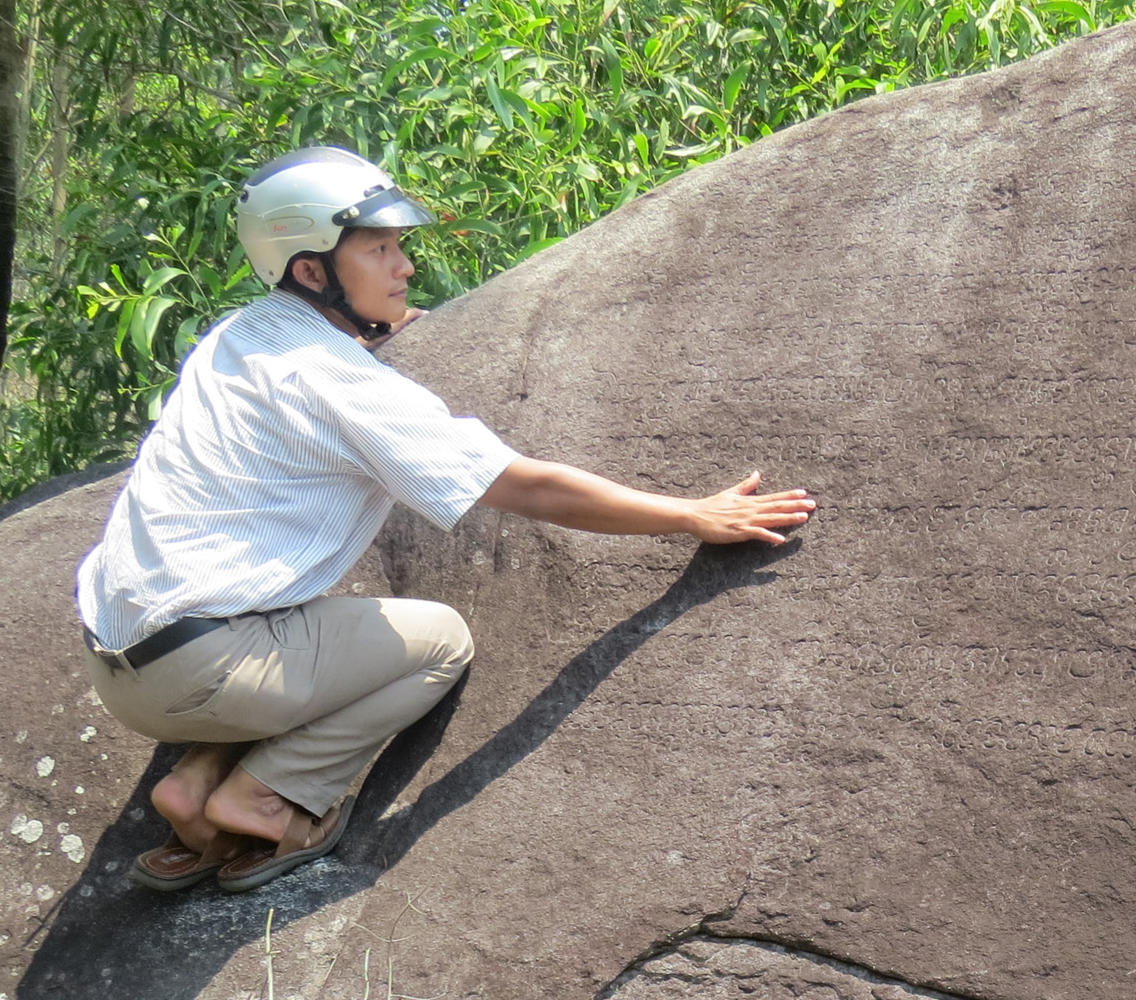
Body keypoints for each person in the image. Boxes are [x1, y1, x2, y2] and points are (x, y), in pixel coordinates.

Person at [77, 145, 815, 893]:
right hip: (214, 669)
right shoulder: (339, 382)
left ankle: (193, 781)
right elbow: (524, 487)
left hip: (123, 664)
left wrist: (367, 329)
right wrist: (690, 514)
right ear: (311, 271)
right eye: (379, 249)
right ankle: (268, 794)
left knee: (301, 618)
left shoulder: (238, 337)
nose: (403, 267)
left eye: (399, 246)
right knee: (439, 641)